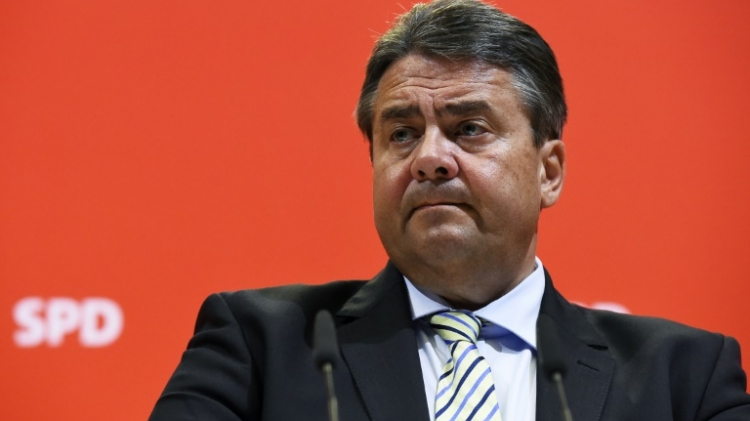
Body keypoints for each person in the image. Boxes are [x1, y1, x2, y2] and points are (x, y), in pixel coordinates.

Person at [149, 1, 750, 420]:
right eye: (402, 134)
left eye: (469, 129)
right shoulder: (262, 346)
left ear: (548, 171)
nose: (430, 159)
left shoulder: (683, 378)